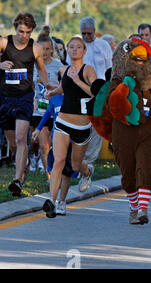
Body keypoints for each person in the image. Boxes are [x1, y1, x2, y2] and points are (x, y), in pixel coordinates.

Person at [42, 36, 97, 218]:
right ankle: (51, 200)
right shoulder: (63, 69)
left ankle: (87, 171)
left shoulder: (88, 70)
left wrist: (79, 81)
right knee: (58, 160)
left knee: (74, 165)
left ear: (84, 51)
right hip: (63, 121)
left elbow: (96, 92)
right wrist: (53, 91)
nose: (74, 50)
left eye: (78, 47)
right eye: (71, 47)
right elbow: (64, 88)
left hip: (81, 126)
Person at [0, 12, 55, 196]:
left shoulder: (35, 48)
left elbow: (41, 68)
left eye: (28, 32)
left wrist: (47, 85)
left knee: (21, 139)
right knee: (13, 144)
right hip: (5, 98)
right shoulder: (4, 43)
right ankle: (25, 164)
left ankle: (17, 181)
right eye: (21, 31)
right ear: (15, 28)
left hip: (25, 97)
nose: (24, 36)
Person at [73, 16, 113, 192]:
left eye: (89, 33)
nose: (87, 36)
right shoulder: (77, 46)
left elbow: (110, 69)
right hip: (81, 91)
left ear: (94, 31)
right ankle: (80, 165)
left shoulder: (103, 46)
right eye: (83, 34)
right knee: (81, 127)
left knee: (96, 127)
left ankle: (89, 164)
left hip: (100, 92)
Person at [31, 36, 64, 178]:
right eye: (41, 49)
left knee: (49, 145)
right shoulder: (32, 65)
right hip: (37, 109)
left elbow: (65, 86)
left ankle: (52, 175)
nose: (43, 52)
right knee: (40, 143)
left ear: (51, 50)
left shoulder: (58, 65)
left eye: (46, 49)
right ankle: (47, 173)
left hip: (54, 109)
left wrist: (54, 91)